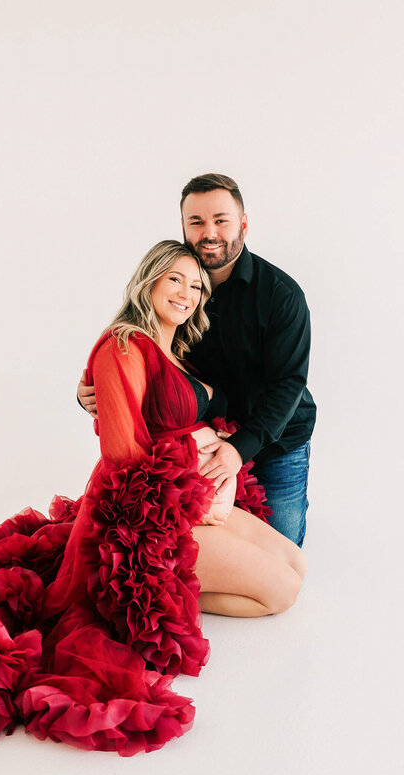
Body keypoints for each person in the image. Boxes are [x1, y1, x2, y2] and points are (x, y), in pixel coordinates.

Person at [0, 241, 306, 758]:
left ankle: (164, 591)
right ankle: (136, 595)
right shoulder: (123, 344)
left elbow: (187, 417)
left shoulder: (180, 349)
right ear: (149, 281)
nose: (187, 293)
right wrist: (198, 446)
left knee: (295, 562)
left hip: (186, 498)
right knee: (281, 594)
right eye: (174, 280)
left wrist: (213, 450)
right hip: (139, 519)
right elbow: (123, 454)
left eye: (195, 285)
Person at [79, 174, 316, 546]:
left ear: (244, 224)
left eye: (221, 220)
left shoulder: (280, 296)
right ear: (184, 228)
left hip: (274, 441)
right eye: (197, 222)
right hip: (204, 445)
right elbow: (147, 356)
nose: (210, 232)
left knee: (283, 549)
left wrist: (239, 449)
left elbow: (288, 383)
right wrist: (96, 391)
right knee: (223, 554)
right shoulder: (178, 290)